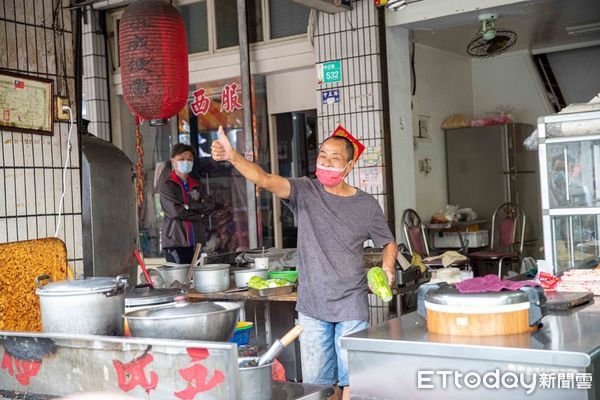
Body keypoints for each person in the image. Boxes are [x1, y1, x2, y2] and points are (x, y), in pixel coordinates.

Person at [212, 125, 397, 400]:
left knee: (353, 383)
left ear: (349, 165)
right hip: (312, 305)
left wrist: (388, 267)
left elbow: (388, 242)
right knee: (319, 387)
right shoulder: (305, 191)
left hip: (352, 302)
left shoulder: (367, 205)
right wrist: (233, 157)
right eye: (322, 155)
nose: (326, 162)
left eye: (334, 158)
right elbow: (264, 179)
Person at [160, 143, 215, 264]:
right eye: (181, 159)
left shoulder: (197, 185)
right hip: (175, 242)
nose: (186, 162)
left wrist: (188, 206)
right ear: (173, 161)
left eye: (189, 159)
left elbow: (210, 205)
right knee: (180, 280)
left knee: (196, 279)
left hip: (196, 242)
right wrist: (199, 215)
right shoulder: (167, 186)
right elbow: (175, 211)